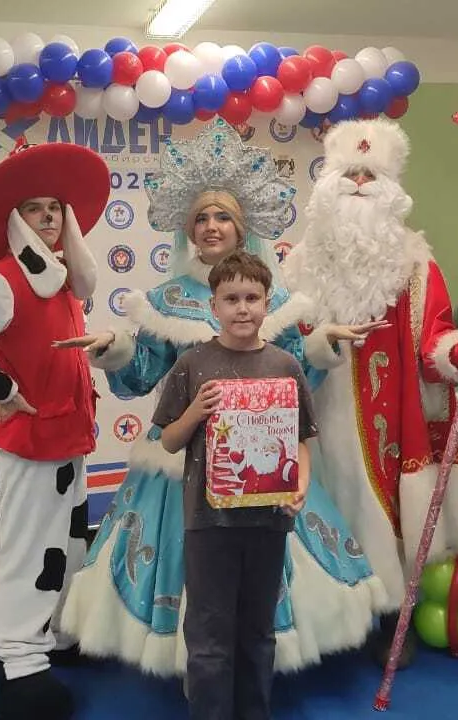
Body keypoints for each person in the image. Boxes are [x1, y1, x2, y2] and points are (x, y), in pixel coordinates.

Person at [57, 119, 392, 680]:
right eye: (202, 218)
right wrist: (116, 350)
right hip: (185, 459)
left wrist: (321, 344)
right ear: (188, 229)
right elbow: (143, 377)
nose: (211, 227)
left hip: (263, 458)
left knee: (260, 567)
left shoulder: (275, 300)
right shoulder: (166, 298)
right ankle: (198, 665)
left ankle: (258, 658)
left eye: (223, 217)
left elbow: (293, 379)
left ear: (242, 228)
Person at [281, 118, 458, 669]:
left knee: (380, 510)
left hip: (387, 414)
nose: (358, 183)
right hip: (313, 409)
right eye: (349, 173)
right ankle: (324, 614)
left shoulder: (415, 264)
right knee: (316, 502)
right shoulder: (299, 263)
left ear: (391, 189)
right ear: (328, 182)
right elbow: (281, 335)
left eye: (370, 175)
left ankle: (389, 616)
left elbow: (436, 331)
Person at [0, 139, 110, 720]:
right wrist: (0, 389)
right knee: (27, 552)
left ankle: (54, 634)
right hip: (31, 444)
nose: (49, 217)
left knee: (68, 546)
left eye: (55, 208)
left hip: (67, 441)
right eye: (36, 209)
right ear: (17, 220)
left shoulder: (60, 281)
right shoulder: (4, 281)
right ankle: (16, 661)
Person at [154, 250, 315, 720]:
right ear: (214, 306)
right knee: (209, 634)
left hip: (268, 521)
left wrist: (300, 484)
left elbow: (301, 441)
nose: (242, 308)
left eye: (252, 298)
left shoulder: (285, 366)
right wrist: (194, 413)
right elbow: (168, 441)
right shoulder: (193, 364)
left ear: (267, 303)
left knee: (258, 631)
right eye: (231, 299)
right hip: (209, 523)